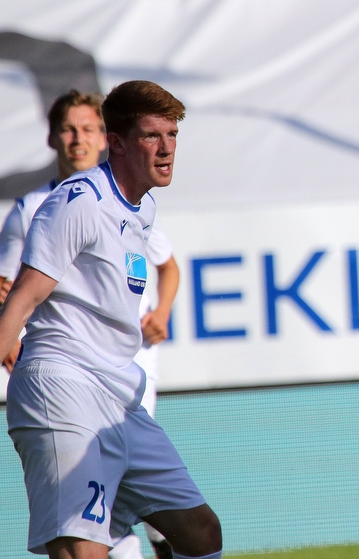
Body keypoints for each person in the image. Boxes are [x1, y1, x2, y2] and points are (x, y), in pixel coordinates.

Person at [0, 80, 221, 559]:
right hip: (63, 387)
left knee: (201, 534)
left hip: (120, 395)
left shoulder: (143, 207)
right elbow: (20, 297)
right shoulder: (78, 201)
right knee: (85, 549)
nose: (166, 149)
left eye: (173, 135)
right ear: (116, 142)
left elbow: (166, 267)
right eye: (151, 136)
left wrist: (161, 310)